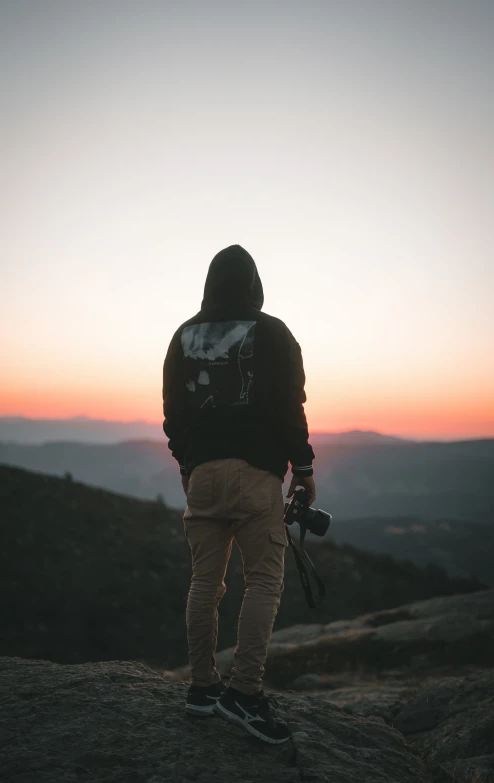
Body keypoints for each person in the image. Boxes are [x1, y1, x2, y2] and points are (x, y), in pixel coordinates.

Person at [162, 244, 315, 744]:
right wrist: (304, 466)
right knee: (264, 583)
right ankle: (245, 695)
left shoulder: (183, 335)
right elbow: (289, 404)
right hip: (255, 475)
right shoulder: (272, 332)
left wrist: (187, 463)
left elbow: (173, 411)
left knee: (204, 582)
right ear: (254, 285)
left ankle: (202, 689)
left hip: (201, 474)